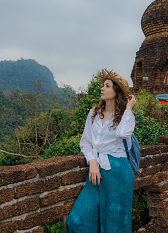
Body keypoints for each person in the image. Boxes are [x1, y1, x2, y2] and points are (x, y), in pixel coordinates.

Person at [66, 69, 137, 233]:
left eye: (107, 86)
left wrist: (129, 108)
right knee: (77, 221)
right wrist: (92, 162)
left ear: (116, 91)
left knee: (114, 226)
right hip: (96, 170)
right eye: (103, 85)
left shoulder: (127, 117)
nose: (102, 89)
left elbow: (121, 134)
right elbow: (85, 142)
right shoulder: (94, 113)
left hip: (118, 172)